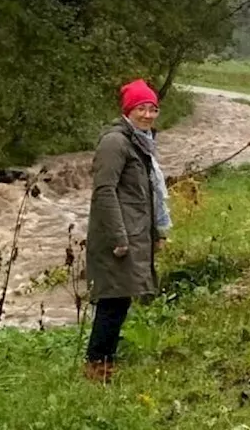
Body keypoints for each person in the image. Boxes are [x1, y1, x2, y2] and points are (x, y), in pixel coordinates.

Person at [85, 79, 171, 381]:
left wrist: (156, 233)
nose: (147, 115)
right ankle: (97, 366)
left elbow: (146, 193)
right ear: (128, 110)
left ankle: (106, 360)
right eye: (141, 108)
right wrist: (119, 238)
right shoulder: (115, 142)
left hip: (135, 232)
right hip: (117, 234)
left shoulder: (141, 141)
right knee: (112, 299)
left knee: (120, 298)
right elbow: (105, 191)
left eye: (153, 109)